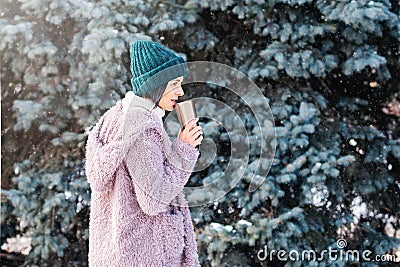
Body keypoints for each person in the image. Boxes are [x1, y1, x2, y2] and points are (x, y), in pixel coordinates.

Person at [85, 40, 203, 266]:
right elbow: (153, 200)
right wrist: (184, 149)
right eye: (175, 84)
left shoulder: (113, 118)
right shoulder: (143, 129)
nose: (180, 91)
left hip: (117, 252)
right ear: (156, 84)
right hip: (147, 255)